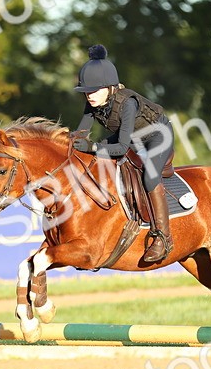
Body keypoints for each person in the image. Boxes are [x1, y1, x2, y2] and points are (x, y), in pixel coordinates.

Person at [71, 44, 175, 263]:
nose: (89, 96)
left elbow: (119, 147)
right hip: (132, 137)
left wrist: (92, 148)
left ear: (110, 88)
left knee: (149, 175)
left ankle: (163, 237)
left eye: (94, 90)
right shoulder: (93, 104)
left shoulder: (127, 103)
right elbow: (80, 135)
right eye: (86, 91)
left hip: (157, 135)